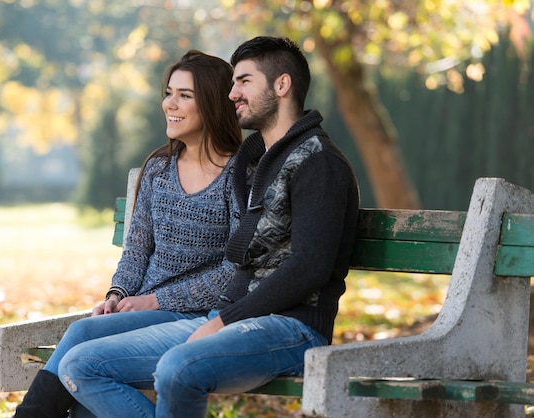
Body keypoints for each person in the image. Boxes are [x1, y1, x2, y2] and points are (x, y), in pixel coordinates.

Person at [59, 36, 360, 418]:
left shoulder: (319, 163)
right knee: (81, 364)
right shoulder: (262, 162)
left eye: (244, 81)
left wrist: (222, 319)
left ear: (281, 86)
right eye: (233, 83)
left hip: (293, 328)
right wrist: (219, 317)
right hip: (231, 316)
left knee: (177, 368)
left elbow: (309, 268)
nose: (232, 93)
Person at [13, 50, 243, 417]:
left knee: (83, 337)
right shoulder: (158, 170)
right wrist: (117, 294)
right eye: (169, 92)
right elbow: (136, 251)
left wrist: (154, 301)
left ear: (214, 104)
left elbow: (236, 270)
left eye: (185, 95)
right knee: (87, 369)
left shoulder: (239, 175)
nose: (170, 103)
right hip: (142, 312)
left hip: (202, 317)